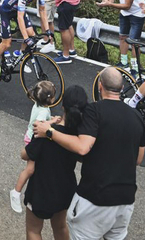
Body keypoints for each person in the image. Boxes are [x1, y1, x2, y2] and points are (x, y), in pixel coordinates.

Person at [33, 68, 145, 240]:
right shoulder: (136, 116)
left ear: (100, 86)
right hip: (125, 200)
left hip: (95, 198)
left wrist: (49, 131)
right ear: (122, 88)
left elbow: (82, 147)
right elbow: (138, 159)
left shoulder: (94, 111)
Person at [22, 86, 88, 240]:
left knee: (34, 230)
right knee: (60, 227)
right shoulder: (78, 137)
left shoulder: (45, 132)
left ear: (63, 106)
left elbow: (25, 154)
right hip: (65, 189)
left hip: (40, 189)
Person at [11, 80, 55, 213]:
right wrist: (52, 121)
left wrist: (51, 119)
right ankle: (16, 192)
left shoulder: (39, 105)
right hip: (33, 140)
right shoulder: (43, 111)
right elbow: (38, 124)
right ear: (50, 99)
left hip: (30, 137)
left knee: (34, 168)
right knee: (30, 169)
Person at [97, 0, 145, 74]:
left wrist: (110, 4)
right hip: (124, 12)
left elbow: (128, 6)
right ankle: (124, 62)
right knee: (122, 37)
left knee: (134, 42)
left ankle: (135, 67)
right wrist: (108, 1)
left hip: (137, 13)